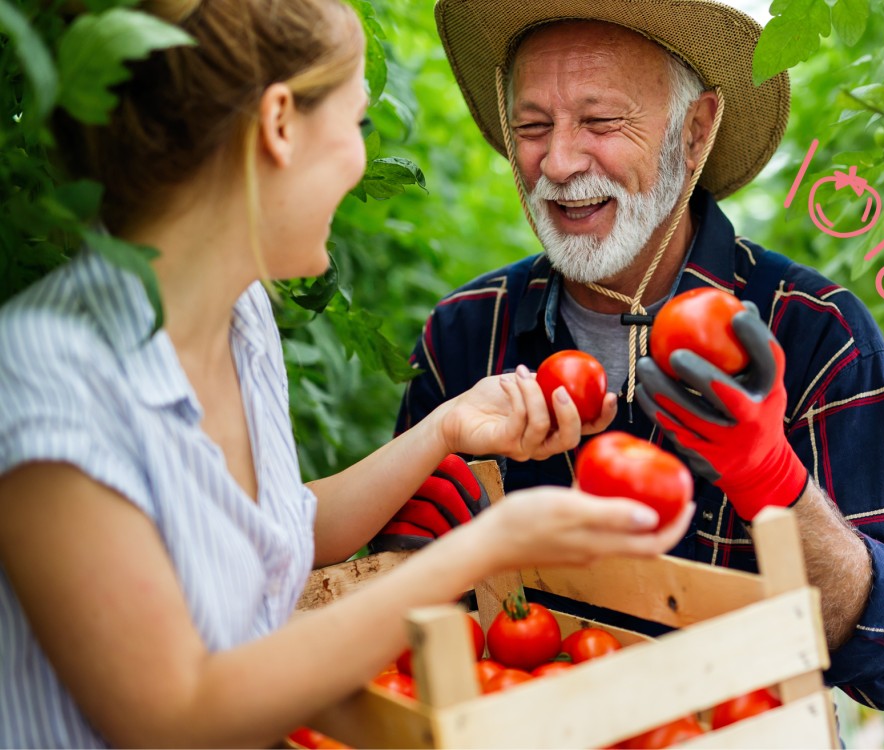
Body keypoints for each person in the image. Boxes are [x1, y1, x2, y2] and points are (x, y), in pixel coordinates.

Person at [0, 1, 691, 746]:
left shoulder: (240, 318)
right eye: (357, 123)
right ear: (279, 127)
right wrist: (490, 545)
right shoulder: (52, 379)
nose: (362, 159)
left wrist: (447, 429)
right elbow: (175, 718)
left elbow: (278, 530)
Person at [375, 0, 884, 709]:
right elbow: (396, 597)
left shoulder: (813, 332)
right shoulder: (467, 335)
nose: (557, 162)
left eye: (601, 122)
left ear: (695, 130)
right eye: (531, 126)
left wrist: (773, 480)